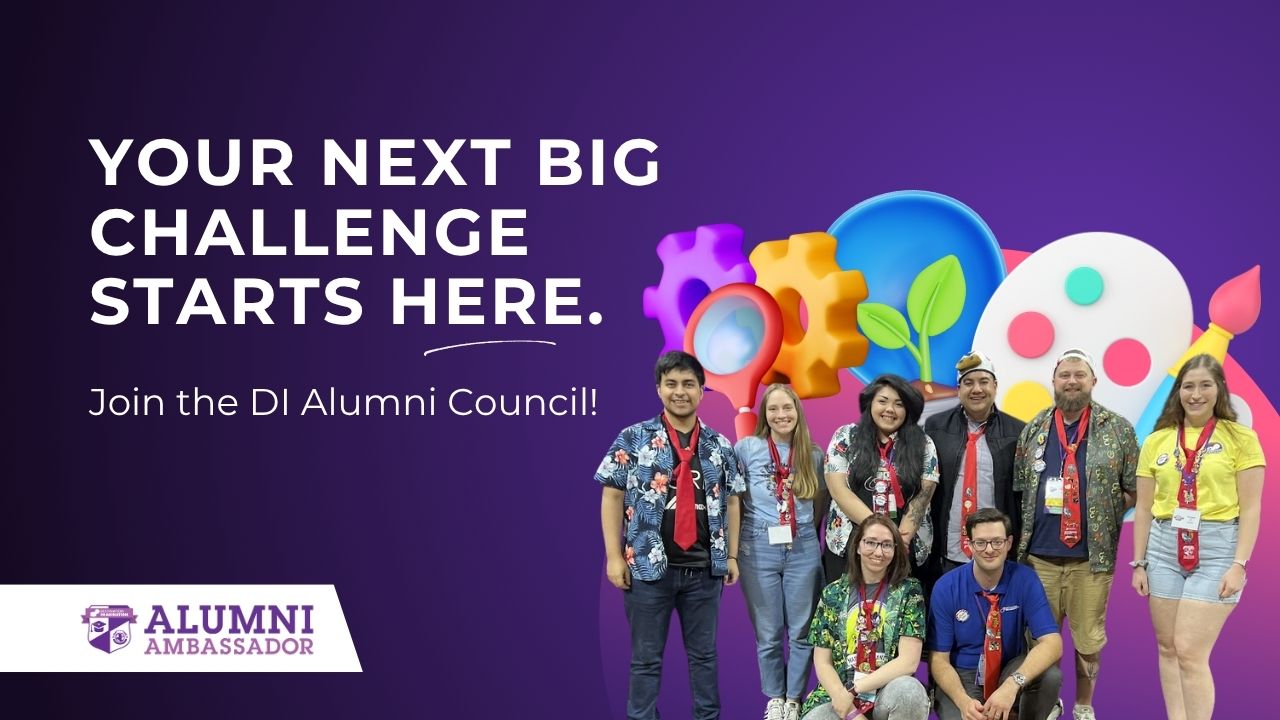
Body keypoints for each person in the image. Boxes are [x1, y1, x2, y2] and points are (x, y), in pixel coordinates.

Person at [596, 350, 745, 720]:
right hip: (647, 570)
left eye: (689, 384)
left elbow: (732, 503)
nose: (681, 392)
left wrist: (731, 556)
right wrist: (614, 557)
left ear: (701, 390)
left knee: (705, 658)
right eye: (672, 384)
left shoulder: (720, 445)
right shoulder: (633, 438)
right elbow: (612, 495)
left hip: (703, 572)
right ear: (659, 389)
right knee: (645, 660)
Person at [1130, 354, 1264, 720]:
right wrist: (1139, 562)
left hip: (1218, 548)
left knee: (1189, 649)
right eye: (1188, 386)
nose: (1196, 393)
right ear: (1178, 392)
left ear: (1219, 389)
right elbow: (1143, 508)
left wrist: (1239, 564)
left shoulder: (1241, 438)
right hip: (1162, 547)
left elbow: (1251, 508)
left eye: (1206, 384)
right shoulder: (1157, 441)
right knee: (1167, 647)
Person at [1012, 349, 1137, 720]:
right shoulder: (1033, 430)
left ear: (1093, 382)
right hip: (1039, 558)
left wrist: (1103, 515)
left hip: (1090, 560)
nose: (1071, 381)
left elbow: (1133, 488)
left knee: (1088, 641)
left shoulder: (1119, 430)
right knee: (1039, 640)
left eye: (1079, 375)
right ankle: (1047, 703)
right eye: (1064, 375)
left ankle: (1083, 705)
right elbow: (1020, 488)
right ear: (1053, 381)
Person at [736, 384, 827, 720]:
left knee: (802, 629)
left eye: (787, 408)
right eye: (773, 409)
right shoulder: (747, 448)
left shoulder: (813, 454)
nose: (781, 415)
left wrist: (803, 531)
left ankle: (794, 698)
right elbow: (735, 499)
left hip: (802, 546)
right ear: (765, 415)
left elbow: (820, 503)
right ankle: (775, 697)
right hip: (758, 548)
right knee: (769, 631)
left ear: (797, 411)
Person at [929, 508, 1064, 720]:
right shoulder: (946, 587)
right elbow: (939, 660)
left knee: (1050, 676)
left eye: (997, 542)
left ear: (1009, 543)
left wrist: (1012, 684)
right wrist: (962, 701)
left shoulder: (1026, 579)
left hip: (1009, 669)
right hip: (963, 674)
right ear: (970, 545)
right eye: (981, 542)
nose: (989, 549)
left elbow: (1053, 644)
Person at [799, 514, 930, 720]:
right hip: (839, 695)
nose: (878, 552)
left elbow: (908, 662)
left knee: (909, 692)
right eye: (871, 543)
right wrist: (849, 707)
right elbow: (822, 662)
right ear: (858, 546)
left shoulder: (909, 591)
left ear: (895, 550)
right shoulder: (833, 593)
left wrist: (855, 688)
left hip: (885, 691)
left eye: (887, 545)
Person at [924, 351, 1026, 590]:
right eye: (968, 383)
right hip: (946, 551)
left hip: (995, 552)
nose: (976, 389)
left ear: (995, 386)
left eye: (983, 381)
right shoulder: (935, 427)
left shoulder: (1018, 431)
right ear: (959, 389)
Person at [824, 375, 940, 583]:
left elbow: (923, 497)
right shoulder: (845, 436)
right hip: (851, 542)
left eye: (899, 404)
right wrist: (878, 538)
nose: (890, 409)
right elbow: (838, 489)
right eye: (883, 401)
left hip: (906, 544)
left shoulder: (924, 443)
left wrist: (899, 541)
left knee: (900, 611)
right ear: (870, 404)